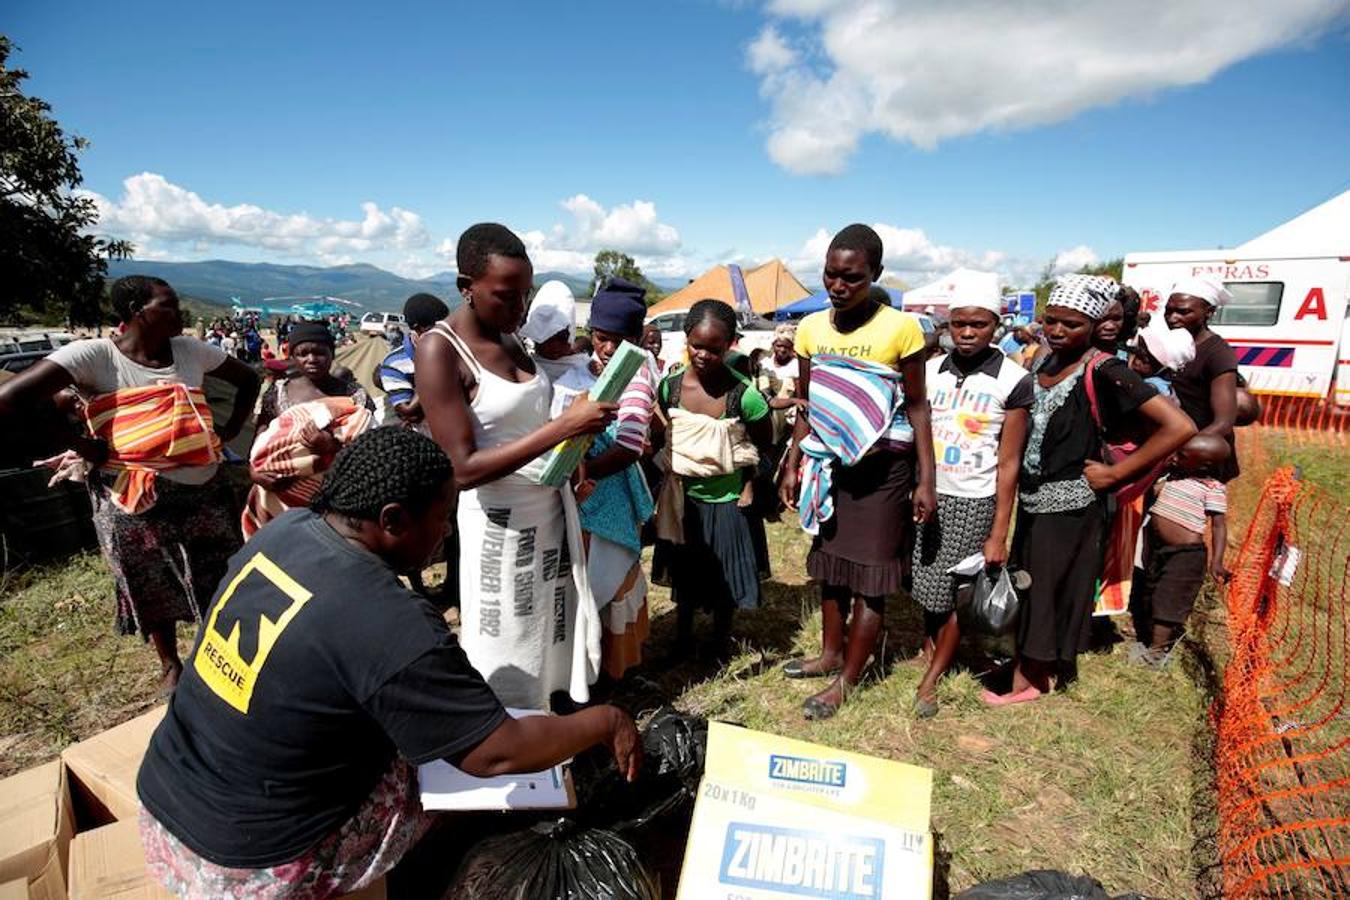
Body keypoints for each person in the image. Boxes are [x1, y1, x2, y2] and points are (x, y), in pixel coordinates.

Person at [136, 428, 641, 899]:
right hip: (253, 862)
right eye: (442, 517)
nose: (446, 534)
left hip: (166, 804)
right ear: (394, 519)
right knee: (428, 784)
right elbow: (496, 756)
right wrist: (606, 719)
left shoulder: (284, 529)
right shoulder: (390, 620)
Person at [0, 276, 260, 691]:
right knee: (147, 576)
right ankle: (170, 663)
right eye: (168, 305)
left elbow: (250, 380)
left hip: (202, 489)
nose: (180, 313)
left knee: (219, 573)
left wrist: (227, 432)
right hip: (131, 495)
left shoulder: (189, 350)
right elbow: (9, 399)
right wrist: (79, 443)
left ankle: (219, 653)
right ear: (138, 310)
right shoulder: (95, 356)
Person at [415, 223, 616, 709]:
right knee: (506, 634)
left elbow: (527, 425)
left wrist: (573, 450)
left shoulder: (512, 340)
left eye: (525, 295)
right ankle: (511, 738)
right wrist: (563, 429)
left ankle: (550, 724)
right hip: (500, 527)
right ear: (467, 288)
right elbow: (461, 468)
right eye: (507, 297)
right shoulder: (440, 350)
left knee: (547, 627)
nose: (521, 310)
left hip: (547, 511)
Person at [984, 274, 1195, 705]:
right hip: (1034, 498)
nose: (1058, 331)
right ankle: (1034, 662)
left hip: (1071, 503)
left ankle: (1031, 681)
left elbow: (1179, 426)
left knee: (1045, 587)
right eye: (1051, 321)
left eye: (1072, 324)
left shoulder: (1105, 369)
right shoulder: (1045, 361)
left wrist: (1117, 475)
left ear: (1093, 325)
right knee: (1030, 582)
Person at [779, 224, 936, 720]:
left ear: (875, 274)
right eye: (830, 275)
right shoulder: (810, 329)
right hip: (830, 469)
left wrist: (925, 479)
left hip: (884, 474)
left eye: (852, 276)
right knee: (830, 568)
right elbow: (806, 405)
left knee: (870, 578)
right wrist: (793, 461)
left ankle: (848, 677)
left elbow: (917, 407)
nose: (838, 286)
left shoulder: (901, 329)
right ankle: (829, 653)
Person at [910, 272, 1031, 718]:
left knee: (960, 590)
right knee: (928, 583)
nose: (965, 333)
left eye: (977, 325)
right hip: (929, 494)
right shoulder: (928, 371)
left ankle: (932, 679)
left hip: (974, 500)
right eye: (957, 324)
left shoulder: (1014, 380)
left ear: (996, 325)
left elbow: (1009, 463)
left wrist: (999, 531)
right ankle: (932, 645)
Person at [653, 299, 772, 658]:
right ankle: (682, 638)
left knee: (726, 581)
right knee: (686, 573)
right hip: (683, 499)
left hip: (729, 500)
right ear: (686, 339)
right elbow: (665, 438)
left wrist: (750, 483)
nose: (703, 355)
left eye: (714, 349)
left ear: (730, 344)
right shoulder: (670, 388)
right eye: (696, 346)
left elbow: (762, 444)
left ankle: (719, 642)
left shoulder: (744, 397)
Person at [575, 278, 662, 682]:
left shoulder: (638, 372)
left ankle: (609, 672)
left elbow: (628, 447)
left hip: (607, 493)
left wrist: (580, 470)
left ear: (637, 336)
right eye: (599, 337)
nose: (607, 348)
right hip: (592, 493)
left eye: (618, 339)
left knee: (607, 584)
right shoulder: (598, 367)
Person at [1129, 434, 1230, 668]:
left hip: (1186, 556)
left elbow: (1219, 526)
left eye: (1182, 455)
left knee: (1170, 602)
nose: (1175, 457)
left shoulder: (1213, 488)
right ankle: (1147, 639)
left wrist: (1217, 561)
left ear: (1203, 465)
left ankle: (1156, 653)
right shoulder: (1175, 475)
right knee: (1151, 592)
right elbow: (1154, 491)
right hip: (1160, 549)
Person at [1164, 277, 1241, 484]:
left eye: (1184, 311)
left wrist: (1184, 451)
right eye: (1168, 311)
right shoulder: (1168, 343)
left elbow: (1223, 421)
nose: (1172, 318)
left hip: (1199, 457)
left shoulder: (1217, 353)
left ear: (1209, 312)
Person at [254, 321, 373, 436]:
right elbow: (262, 437)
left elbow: (369, 437)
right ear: (292, 357)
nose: (311, 359)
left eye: (319, 353)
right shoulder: (278, 393)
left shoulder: (355, 395)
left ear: (332, 354)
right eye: (303, 354)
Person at [375, 292, 451, 429]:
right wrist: (436, 370)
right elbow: (409, 412)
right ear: (416, 329)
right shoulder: (394, 364)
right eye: (435, 330)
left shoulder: (455, 347)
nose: (444, 334)